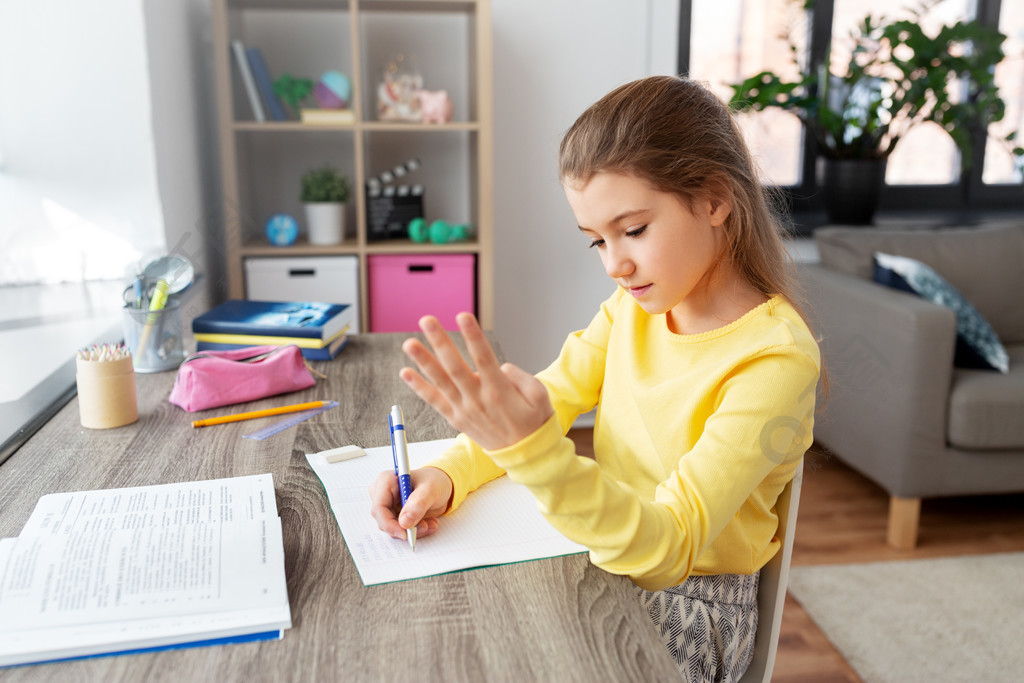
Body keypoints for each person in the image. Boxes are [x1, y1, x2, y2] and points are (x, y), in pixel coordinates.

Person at [369, 75, 821, 683]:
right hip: (603, 550)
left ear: (715, 200)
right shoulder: (634, 309)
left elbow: (671, 546)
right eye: (597, 242)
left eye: (633, 230)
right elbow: (548, 400)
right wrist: (451, 473)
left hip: (688, 602)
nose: (616, 264)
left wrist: (530, 454)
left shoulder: (774, 361)